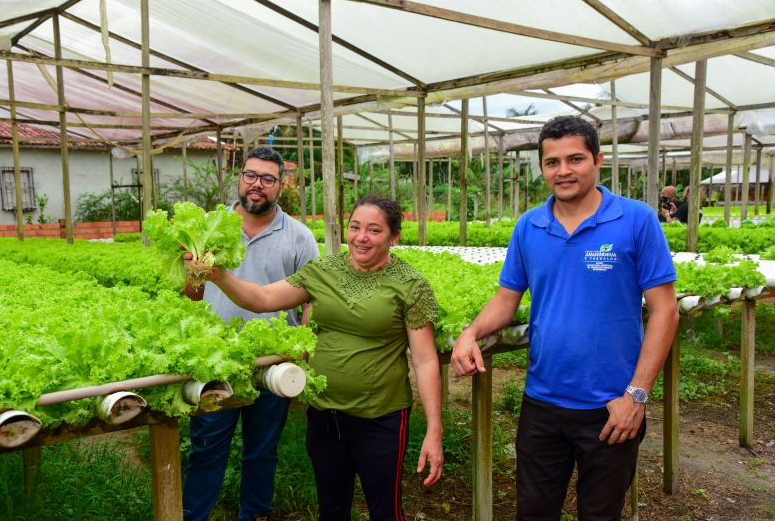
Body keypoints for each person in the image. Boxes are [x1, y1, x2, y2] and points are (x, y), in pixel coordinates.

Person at [451, 115, 679, 520]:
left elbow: (665, 311)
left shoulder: (636, 219)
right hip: (543, 403)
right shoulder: (529, 226)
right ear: (542, 168)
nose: (563, 170)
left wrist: (637, 396)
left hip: (612, 406)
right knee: (534, 512)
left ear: (598, 160)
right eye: (552, 162)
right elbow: (506, 301)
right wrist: (470, 333)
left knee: (600, 514)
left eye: (575, 159)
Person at [195, 195, 444, 521]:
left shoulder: (410, 285)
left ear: (393, 237)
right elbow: (264, 297)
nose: (361, 237)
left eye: (374, 230)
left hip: (380, 418)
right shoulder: (324, 270)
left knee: (385, 512)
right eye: (355, 227)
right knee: (332, 509)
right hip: (325, 415)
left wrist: (434, 430)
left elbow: (425, 361)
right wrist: (218, 275)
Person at [182, 146, 320, 521]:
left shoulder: (299, 237)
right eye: (250, 176)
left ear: (281, 185)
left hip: (273, 358)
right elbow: (193, 295)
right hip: (216, 358)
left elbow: (313, 299)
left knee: (262, 449)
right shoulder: (210, 228)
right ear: (240, 179)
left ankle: (254, 514)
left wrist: (302, 345)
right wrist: (191, 272)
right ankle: (194, 515)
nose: (257, 185)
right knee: (207, 447)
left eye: (268, 179)